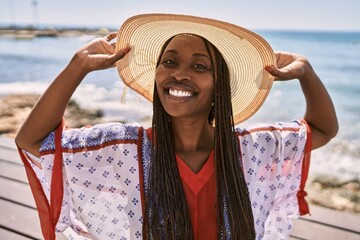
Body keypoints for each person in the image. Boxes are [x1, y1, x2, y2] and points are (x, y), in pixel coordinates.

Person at [15, 14, 338, 240]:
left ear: (219, 86)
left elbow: (321, 129)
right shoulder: (124, 147)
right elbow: (33, 140)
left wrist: (306, 72)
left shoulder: (249, 148)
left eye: (199, 66)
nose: (179, 74)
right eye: (169, 61)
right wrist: (78, 66)